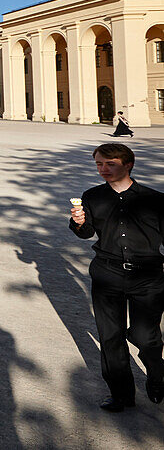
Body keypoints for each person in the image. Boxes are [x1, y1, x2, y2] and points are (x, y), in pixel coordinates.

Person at [69, 143, 164, 412]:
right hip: (107, 272)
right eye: (99, 164)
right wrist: (78, 222)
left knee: (146, 337)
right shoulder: (92, 196)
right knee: (110, 336)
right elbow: (86, 232)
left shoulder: (155, 200)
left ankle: (158, 374)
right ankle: (121, 394)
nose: (103, 169)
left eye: (110, 164)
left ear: (128, 164)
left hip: (147, 275)